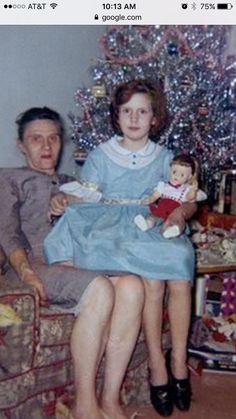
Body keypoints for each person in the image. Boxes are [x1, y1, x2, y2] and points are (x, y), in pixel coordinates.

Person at [46, 79, 197, 417]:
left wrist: (180, 214)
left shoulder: (164, 157)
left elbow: (185, 199)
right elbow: (89, 191)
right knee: (146, 275)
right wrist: (65, 198)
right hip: (113, 223)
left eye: (142, 112)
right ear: (117, 116)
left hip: (153, 222)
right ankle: (158, 364)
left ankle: (178, 361)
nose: (134, 118)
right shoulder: (102, 154)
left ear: (154, 118)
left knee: (181, 257)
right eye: (127, 111)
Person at [0, 107, 145, 419]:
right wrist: (26, 271)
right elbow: (7, 231)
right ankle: (85, 405)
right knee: (100, 288)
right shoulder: (9, 178)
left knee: (133, 286)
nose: (47, 146)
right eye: (36, 139)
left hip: (78, 262)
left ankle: (109, 400)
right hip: (34, 264)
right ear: (21, 145)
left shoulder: (74, 182)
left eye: (53, 138)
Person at [134, 153, 206, 238]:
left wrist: (193, 190)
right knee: (153, 217)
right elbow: (155, 195)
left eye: (182, 175)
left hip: (174, 213)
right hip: (161, 210)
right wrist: (149, 200)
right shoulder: (163, 185)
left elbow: (190, 198)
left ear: (189, 177)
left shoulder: (185, 189)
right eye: (174, 172)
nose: (176, 176)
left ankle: (173, 230)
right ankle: (146, 224)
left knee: (176, 223)